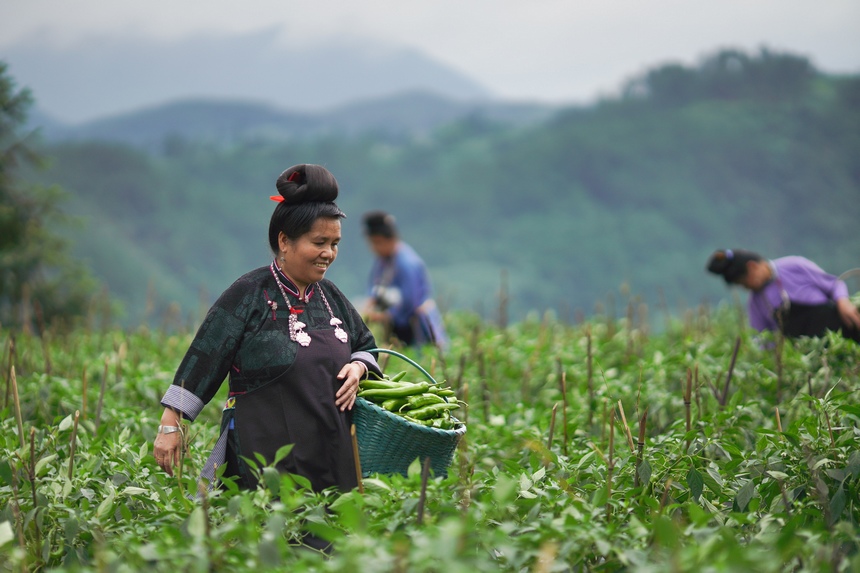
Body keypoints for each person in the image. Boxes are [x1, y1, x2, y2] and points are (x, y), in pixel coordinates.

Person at [153, 164, 382, 503]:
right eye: (319, 242)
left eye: (335, 243)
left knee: (329, 538)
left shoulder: (330, 296)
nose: (328, 253)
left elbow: (366, 345)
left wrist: (359, 366)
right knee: (268, 536)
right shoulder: (249, 293)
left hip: (331, 453)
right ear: (284, 241)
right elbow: (205, 357)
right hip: (264, 454)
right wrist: (171, 425)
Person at [706, 248, 860, 343]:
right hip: (814, 355)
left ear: (752, 267)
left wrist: (843, 302)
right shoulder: (756, 303)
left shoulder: (794, 266)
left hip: (844, 333)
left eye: (745, 282)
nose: (747, 288)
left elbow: (834, 285)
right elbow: (764, 340)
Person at [361, 210, 448, 350]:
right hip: (397, 327)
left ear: (390, 239)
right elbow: (375, 286)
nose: (374, 248)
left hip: (415, 326)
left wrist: (384, 316)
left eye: (377, 243)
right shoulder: (383, 261)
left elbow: (410, 301)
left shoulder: (407, 263)